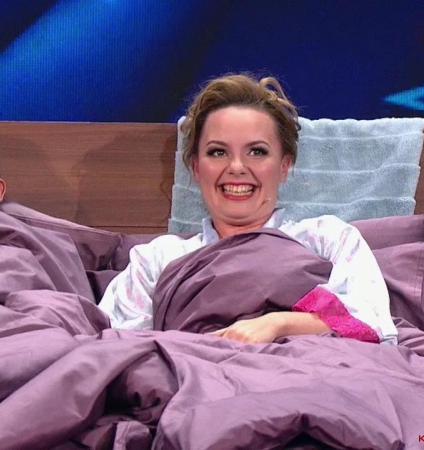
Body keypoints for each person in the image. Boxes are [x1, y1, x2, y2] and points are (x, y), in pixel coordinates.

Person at [98, 73, 398, 345]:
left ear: (284, 166)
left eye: (257, 151)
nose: (237, 167)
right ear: (196, 168)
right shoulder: (156, 260)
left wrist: (277, 324)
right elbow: (118, 350)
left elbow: (373, 325)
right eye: (218, 152)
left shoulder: (328, 239)